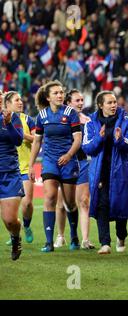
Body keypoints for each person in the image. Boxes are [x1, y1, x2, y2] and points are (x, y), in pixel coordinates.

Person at [82, 91, 128, 254]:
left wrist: (120, 140)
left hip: (121, 171)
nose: (113, 105)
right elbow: (87, 148)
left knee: (121, 207)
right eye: (109, 103)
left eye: (114, 102)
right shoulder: (91, 123)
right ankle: (105, 243)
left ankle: (121, 236)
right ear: (100, 105)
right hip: (100, 171)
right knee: (101, 205)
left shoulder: (127, 122)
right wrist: (99, 138)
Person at [29, 81, 82, 253]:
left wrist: (68, 155)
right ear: (48, 97)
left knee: (69, 202)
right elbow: (37, 142)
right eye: (56, 93)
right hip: (50, 161)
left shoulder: (71, 114)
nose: (60, 95)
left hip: (68, 161)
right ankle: (49, 242)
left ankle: (74, 235)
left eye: (61, 92)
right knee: (50, 197)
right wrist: (31, 165)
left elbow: (78, 139)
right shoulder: (41, 116)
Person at [54, 89, 95, 250]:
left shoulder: (88, 120)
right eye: (77, 100)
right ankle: (60, 236)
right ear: (68, 103)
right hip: (64, 162)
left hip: (83, 162)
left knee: (84, 201)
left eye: (81, 100)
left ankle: (85, 239)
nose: (80, 103)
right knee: (61, 202)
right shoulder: (60, 118)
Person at [4, 91, 35, 245]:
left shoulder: (27, 119)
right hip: (9, 166)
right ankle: (14, 232)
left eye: (21, 100)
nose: (21, 103)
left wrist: (22, 134)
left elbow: (36, 139)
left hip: (23, 167)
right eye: (17, 100)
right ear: (7, 104)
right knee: (10, 213)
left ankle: (27, 226)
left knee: (27, 203)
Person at [0, 91, 24, 260]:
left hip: (9, 173)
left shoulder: (12, 118)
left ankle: (16, 237)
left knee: (10, 221)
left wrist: (8, 124)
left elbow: (18, 140)